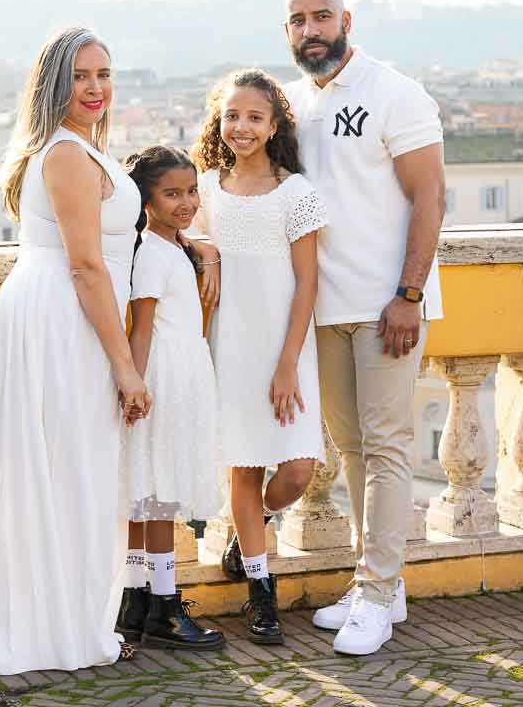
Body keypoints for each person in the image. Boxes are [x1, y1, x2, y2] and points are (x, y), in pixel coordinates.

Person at [0, 28, 148, 674]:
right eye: (80, 76)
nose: (95, 88)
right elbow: (87, 266)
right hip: (65, 317)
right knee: (72, 469)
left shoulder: (76, 148)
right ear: (53, 85)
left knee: (69, 469)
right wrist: (125, 365)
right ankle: (56, 630)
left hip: (61, 312)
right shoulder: (66, 154)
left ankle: (59, 622)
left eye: (104, 73)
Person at [282, 0, 447, 656]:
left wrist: (409, 294)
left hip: (387, 306)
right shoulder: (291, 103)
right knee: (351, 448)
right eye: (298, 20)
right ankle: (380, 582)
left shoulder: (395, 93)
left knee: (386, 446)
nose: (310, 30)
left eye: (321, 16)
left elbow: (430, 196)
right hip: (323, 305)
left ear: (346, 19)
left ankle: (376, 594)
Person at [191, 68, 328, 645]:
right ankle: (260, 588)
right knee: (243, 468)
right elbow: (179, 236)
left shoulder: (296, 194)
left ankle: (258, 521)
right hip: (229, 345)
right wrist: (208, 252)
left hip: (285, 348)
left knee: (297, 472)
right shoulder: (204, 189)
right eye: (232, 116)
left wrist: (288, 361)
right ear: (219, 122)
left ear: (274, 126)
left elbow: (307, 282)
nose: (242, 126)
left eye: (254, 117)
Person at [115, 145, 225, 652]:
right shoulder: (152, 256)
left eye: (192, 191)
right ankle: (163, 605)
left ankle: (135, 600)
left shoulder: (170, 247)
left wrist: (204, 249)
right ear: (146, 200)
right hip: (163, 374)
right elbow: (140, 330)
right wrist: (134, 387)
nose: (187, 202)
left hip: (183, 370)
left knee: (150, 491)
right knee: (157, 492)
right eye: (172, 194)